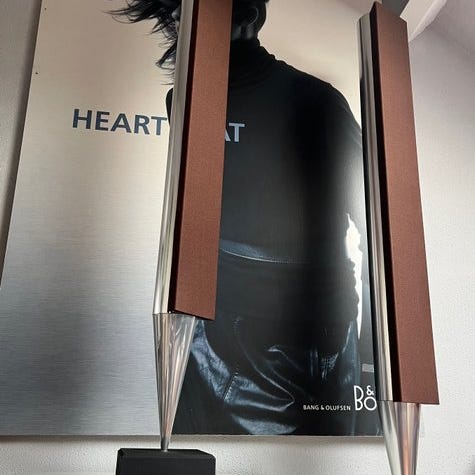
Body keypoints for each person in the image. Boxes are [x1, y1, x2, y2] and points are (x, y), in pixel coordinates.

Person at [114, 0, 374, 435]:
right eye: (179, 12)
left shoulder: (315, 102)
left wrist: (372, 361)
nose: (183, 23)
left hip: (308, 340)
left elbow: (378, 231)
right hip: (210, 334)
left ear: (248, 18)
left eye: (202, 11)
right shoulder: (183, 99)